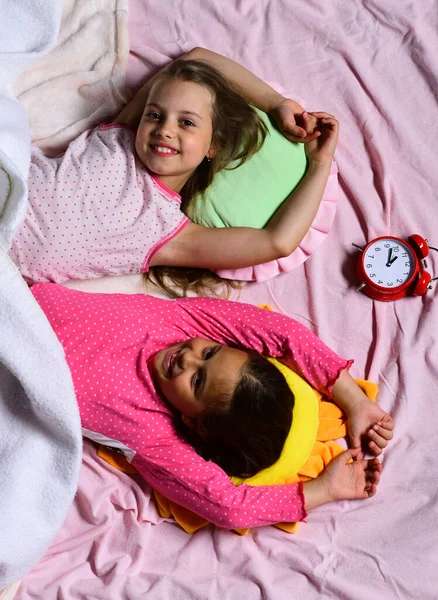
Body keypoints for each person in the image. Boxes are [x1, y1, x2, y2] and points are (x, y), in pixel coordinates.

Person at [30, 279, 393, 530]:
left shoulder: (154, 435)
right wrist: (354, 400)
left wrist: (324, 490)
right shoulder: (186, 323)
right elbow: (282, 335)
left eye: (198, 381)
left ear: (196, 423)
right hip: (18, 290)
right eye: (209, 352)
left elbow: (227, 506)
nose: (187, 358)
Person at [9, 48, 338, 296]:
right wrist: (275, 102)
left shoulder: (167, 232)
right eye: (154, 115)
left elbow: (277, 242)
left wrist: (319, 164)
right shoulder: (118, 136)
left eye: (187, 122)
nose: (164, 129)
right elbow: (196, 59)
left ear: (214, 147)